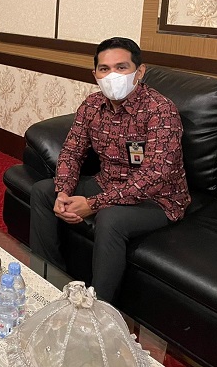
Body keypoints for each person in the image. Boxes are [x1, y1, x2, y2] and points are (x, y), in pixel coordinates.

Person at [29, 37, 190, 302]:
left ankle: (98, 308)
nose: (112, 75)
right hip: (107, 183)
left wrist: (94, 203)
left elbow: (156, 175)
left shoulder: (161, 110)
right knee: (43, 191)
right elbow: (72, 151)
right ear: (95, 75)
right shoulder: (92, 105)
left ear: (140, 71)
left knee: (109, 218)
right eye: (104, 69)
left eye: (121, 67)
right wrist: (63, 192)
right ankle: (47, 283)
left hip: (158, 200)